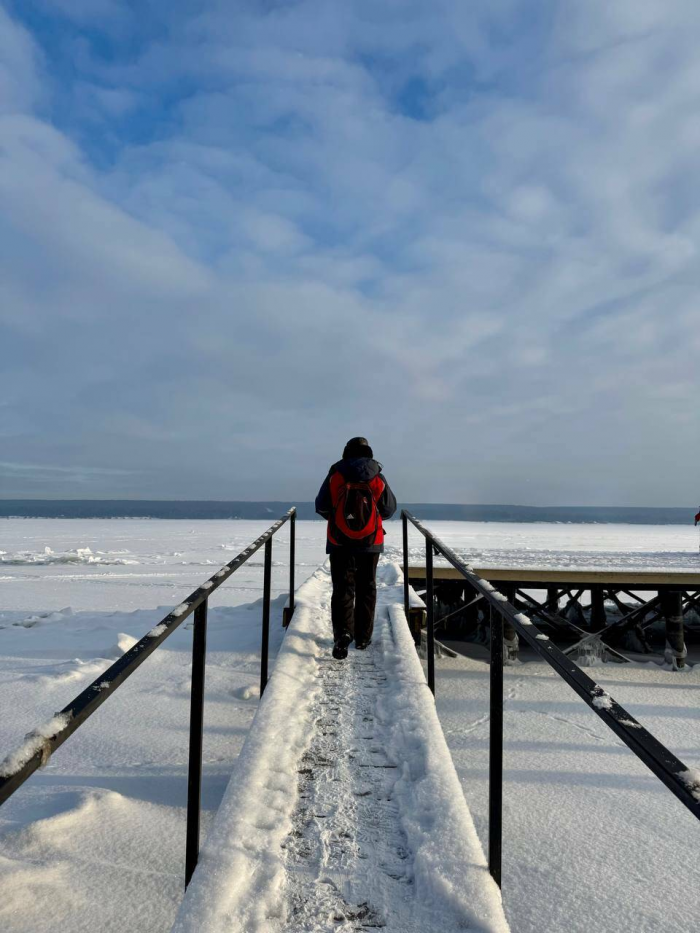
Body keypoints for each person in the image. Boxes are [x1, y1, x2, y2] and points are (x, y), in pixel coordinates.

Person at [315, 437, 397, 659]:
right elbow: (388, 510)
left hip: (339, 541)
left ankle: (343, 633)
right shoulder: (377, 475)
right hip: (370, 542)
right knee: (367, 587)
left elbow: (321, 505)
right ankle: (363, 637)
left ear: (346, 452)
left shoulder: (336, 474)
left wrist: (339, 520)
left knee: (343, 587)